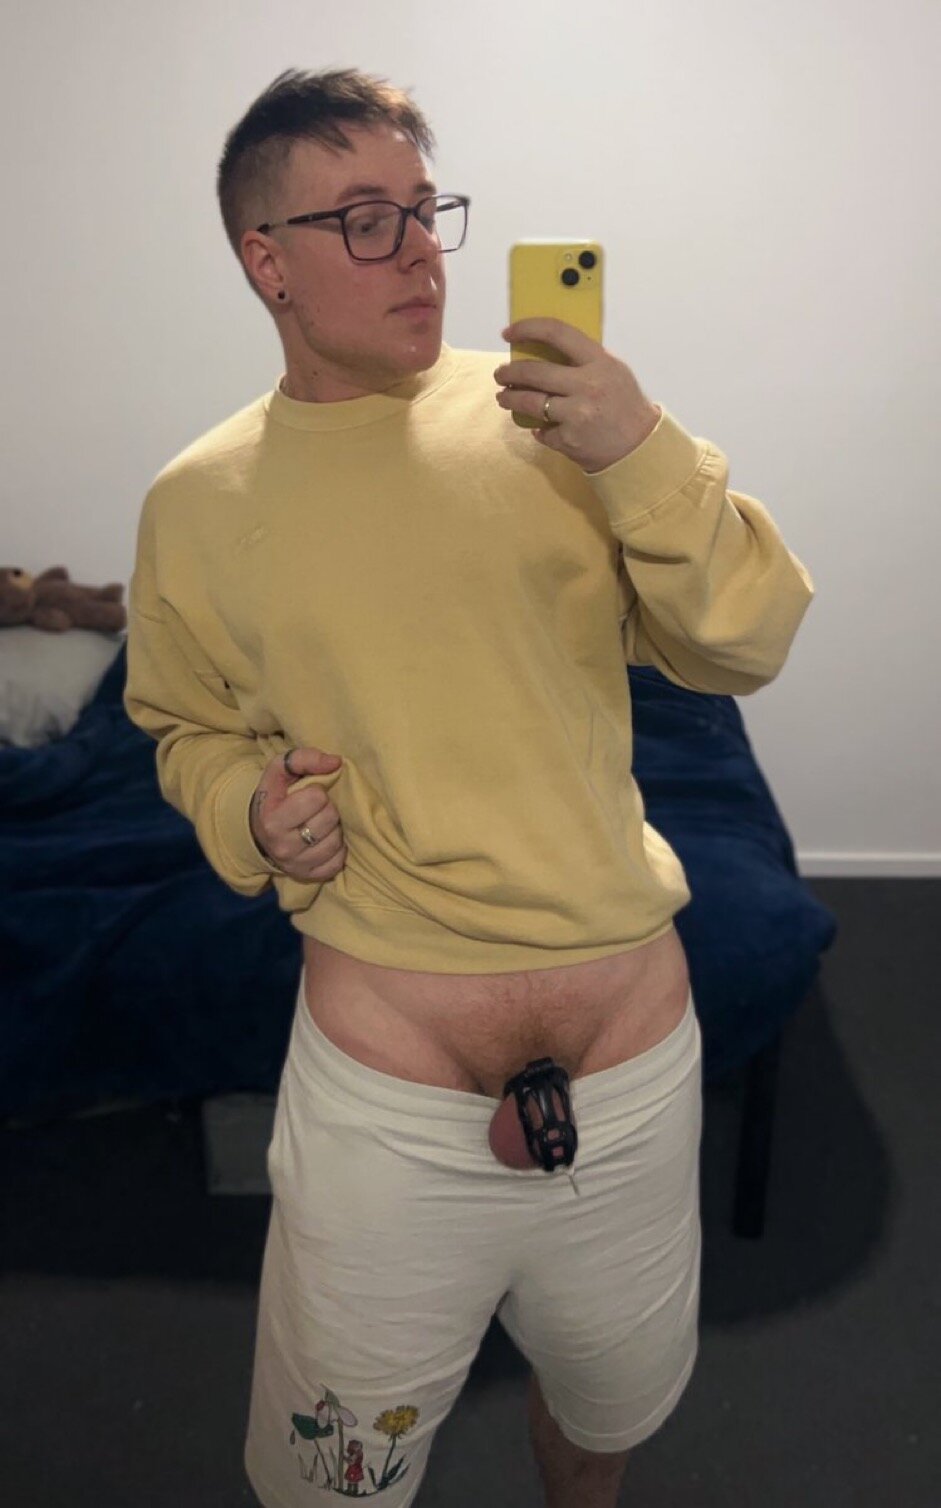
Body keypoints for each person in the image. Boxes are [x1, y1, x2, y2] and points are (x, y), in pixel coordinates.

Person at [123, 66, 815, 1508]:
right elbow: (182, 726)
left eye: (425, 209)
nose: (421, 253)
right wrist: (247, 811)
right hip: (387, 1111)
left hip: (634, 1075)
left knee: (606, 1418)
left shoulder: (556, 428)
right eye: (362, 219)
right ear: (267, 262)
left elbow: (742, 643)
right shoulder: (198, 502)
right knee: (338, 1478)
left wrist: (639, 450)